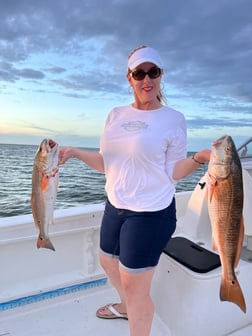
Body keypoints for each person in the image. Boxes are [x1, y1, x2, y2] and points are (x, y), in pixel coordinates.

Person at [59, 45, 210, 336]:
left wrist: (198, 159)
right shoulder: (115, 115)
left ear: (160, 75)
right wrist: (75, 153)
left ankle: (134, 311)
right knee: (106, 260)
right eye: (139, 73)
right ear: (129, 78)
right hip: (115, 205)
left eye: (152, 72)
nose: (146, 79)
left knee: (135, 285)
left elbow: (173, 172)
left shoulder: (173, 119)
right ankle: (126, 307)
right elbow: (107, 163)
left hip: (151, 212)